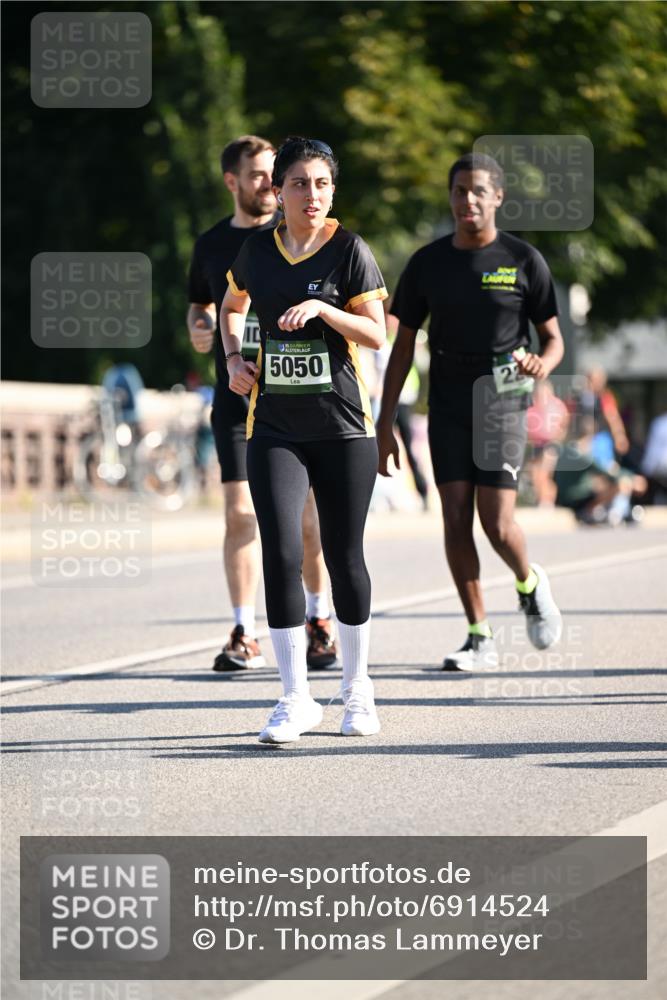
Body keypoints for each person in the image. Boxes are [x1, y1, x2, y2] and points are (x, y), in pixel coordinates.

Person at [221, 136, 387, 742]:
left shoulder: (350, 250)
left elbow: (374, 334)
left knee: (344, 557)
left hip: (344, 428)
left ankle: (357, 690)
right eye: (298, 183)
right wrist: (235, 356)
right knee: (282, 555)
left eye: (321, 184)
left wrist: (323, 312)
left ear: (332, 191)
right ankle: (295, 698)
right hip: (276, 427)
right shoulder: (256, 251)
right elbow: (231, 302)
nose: (310, 194)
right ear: (278, 190)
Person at [377, 152, 564, 670]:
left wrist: (540, 364)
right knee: (455, 518)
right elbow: (401, 347)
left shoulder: (525, 260)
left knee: (496, 523)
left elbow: (553, 340)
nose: (468, 200)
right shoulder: (427, 263)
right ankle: (479, 635)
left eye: (479, 191)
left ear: (498, 197)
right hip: (449, 401)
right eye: (459, 191)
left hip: (502, 399)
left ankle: (530, 582)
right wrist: (385, 420)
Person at [187, 135, 336, 672]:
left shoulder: (299, 234)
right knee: (239, 514)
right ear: (233, 182)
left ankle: (320, 620)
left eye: (275, 175)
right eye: (256, 176)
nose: (268, 186)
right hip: (237, 394)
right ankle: (243, 630)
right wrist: (204, 331)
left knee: (307, 519)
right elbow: (202, 307)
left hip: (296, 395)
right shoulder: (210, 244)